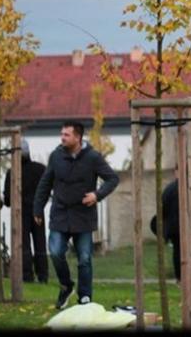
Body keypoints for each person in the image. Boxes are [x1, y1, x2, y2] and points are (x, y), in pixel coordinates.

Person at [33, 120, 120, 308]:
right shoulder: (56, 157)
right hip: (60, 215)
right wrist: (37, 208)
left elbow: (113, 179)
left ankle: (85, 297)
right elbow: (45, 183)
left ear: (78, 137)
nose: (62, 137)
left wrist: (97, 195)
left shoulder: (93, 157)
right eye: (61, 134)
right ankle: (66, 286)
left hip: (83, 216)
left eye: (66, 134)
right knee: (55, 252)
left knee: (85, 259)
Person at [2, 140, 49, 284]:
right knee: (40, 243)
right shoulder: (41, 169)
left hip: (19, 212)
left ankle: (27, 275)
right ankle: (43, 275)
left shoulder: (12, 173)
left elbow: (8, 199)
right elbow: (47, 190)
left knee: (23, 244)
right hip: (37, 211)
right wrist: (39, 206)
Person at [159, 178, 184, 281]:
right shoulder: (190, 187)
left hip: (174, 227)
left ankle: (180, 277)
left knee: (177, 252)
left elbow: (162, 207)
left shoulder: (169, 189)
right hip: (183, 226)